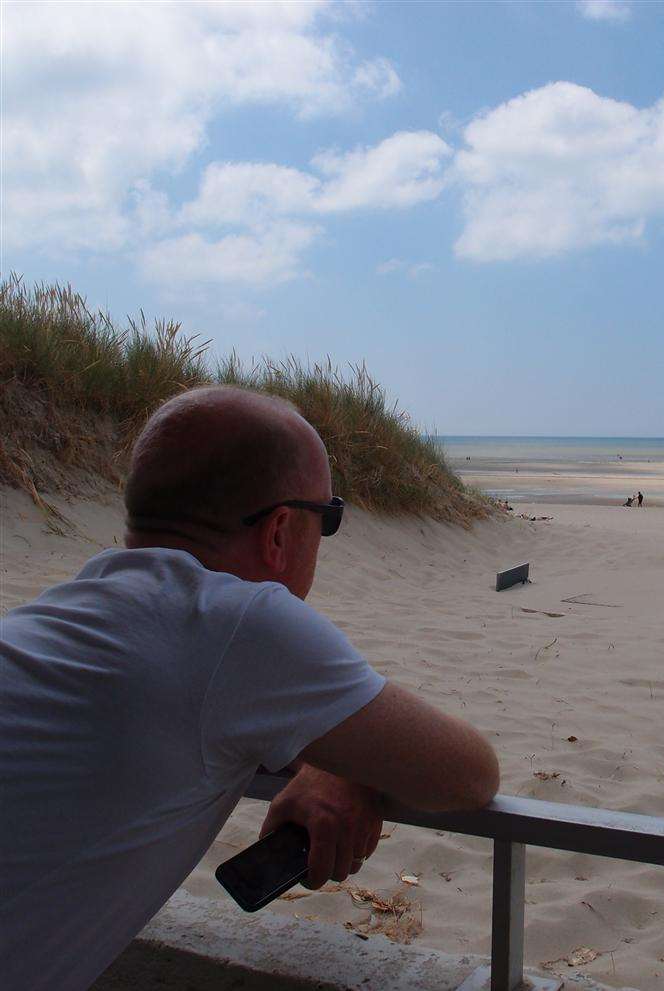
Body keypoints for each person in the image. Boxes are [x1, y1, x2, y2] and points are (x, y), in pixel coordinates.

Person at [0, 387, 500, 991]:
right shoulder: (235, 624)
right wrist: (338, 761)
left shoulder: (73, 607)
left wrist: (330, 756)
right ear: (280, 532)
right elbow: (469, 774)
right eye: (330, 517)